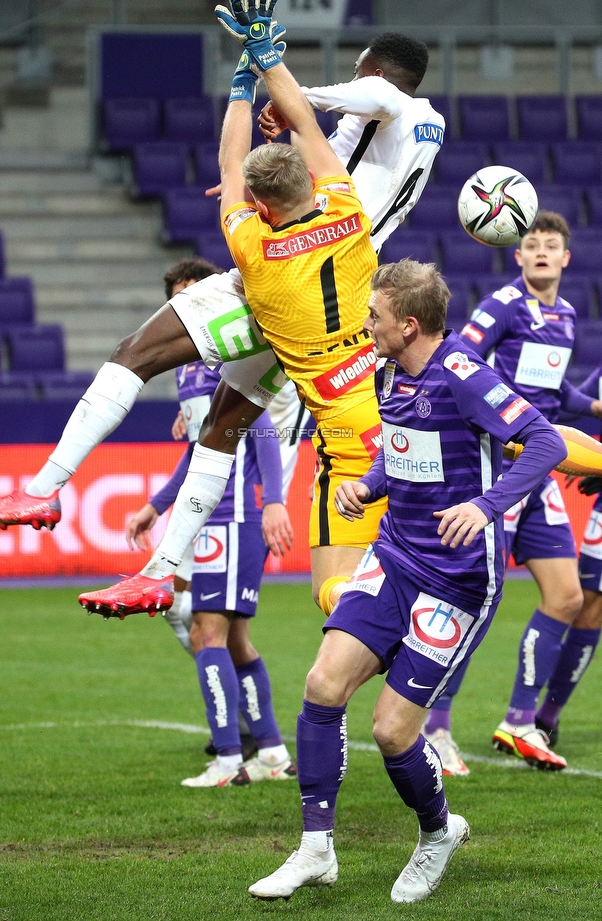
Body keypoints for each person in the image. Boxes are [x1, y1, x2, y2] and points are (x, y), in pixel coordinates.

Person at [0, 1, 445, 619]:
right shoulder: (418, 134)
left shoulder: (384, 106)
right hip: (346, 281)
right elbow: (332, 145)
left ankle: (43, 489)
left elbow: (357, 106)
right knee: (223, 425)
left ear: (372, 68)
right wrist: (278, 94)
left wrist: (271, 76)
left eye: (361, 73)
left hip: (287, 277)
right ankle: (162, 572)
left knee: (134, 354)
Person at [248, 259, 566, 903]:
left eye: (375, 317)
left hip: (455, 580)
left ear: (410, 325)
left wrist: (484, 507)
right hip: (394, 558)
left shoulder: (465, 376)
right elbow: (404, 455)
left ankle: (437, 831)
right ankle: (315, 848)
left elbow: (544, 443)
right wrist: (369, 485)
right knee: (322, 682)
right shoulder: (389, 371)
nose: (366, 324)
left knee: (392, 731)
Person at [423, 212, 602, 775]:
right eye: (531, 244)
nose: (539, 253)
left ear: (565, 260)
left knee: (567, 597)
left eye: (550, 246)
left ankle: (519, 720)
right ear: (517, 255)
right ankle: (435, 730)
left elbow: (552, 392)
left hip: (541, 471)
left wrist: (594, 408)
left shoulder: (567, 314)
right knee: (472, 599)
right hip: (499, 466)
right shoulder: (502, 305)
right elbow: (463, 361)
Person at [125, 258, 293, 780]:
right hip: (212, 515)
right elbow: (205, 447)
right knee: (234, 640)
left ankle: (226, 759)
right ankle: (270, 753)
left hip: (234, 513)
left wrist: (272, 501)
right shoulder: (189, 373)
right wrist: (158, 503)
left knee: (206, 632)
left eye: (198, 293)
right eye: (180, 297)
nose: (191, 306)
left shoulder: (235, 354)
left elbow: (259, 428)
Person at [536, 265, 602, 745]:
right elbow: (586, 403)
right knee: (588, 603)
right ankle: (546, 716)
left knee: (586, 601)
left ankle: (544, 717)